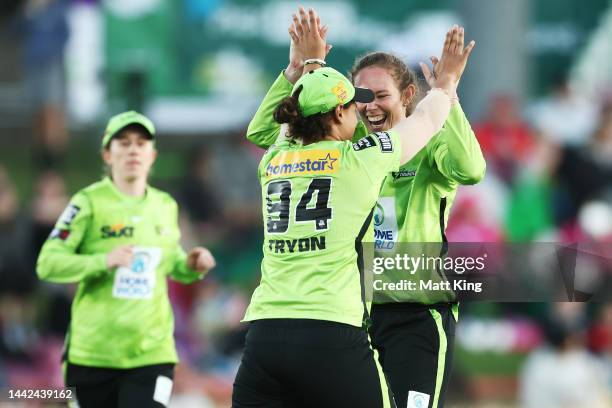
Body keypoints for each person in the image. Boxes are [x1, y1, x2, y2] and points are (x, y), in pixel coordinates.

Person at [232, 8, 474, 408]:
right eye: (353, 103)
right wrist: (446, 85)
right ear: (341, 113)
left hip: (264, 334)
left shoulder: (273, 159)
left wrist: (303, 68)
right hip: (332, 329)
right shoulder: (361, 158)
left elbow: (271, 128)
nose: (364, 109)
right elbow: (429, 119)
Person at [36, 110, 216, 408]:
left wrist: (191, 265)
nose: (133, 149)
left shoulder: (165, 205)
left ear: (153, 155)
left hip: (151, 353)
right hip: (93, 355)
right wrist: (103, 260)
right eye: (123, 142)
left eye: (141, 143)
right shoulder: (88, 202)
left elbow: (170, 264)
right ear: (107, 154)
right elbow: (48, 263)